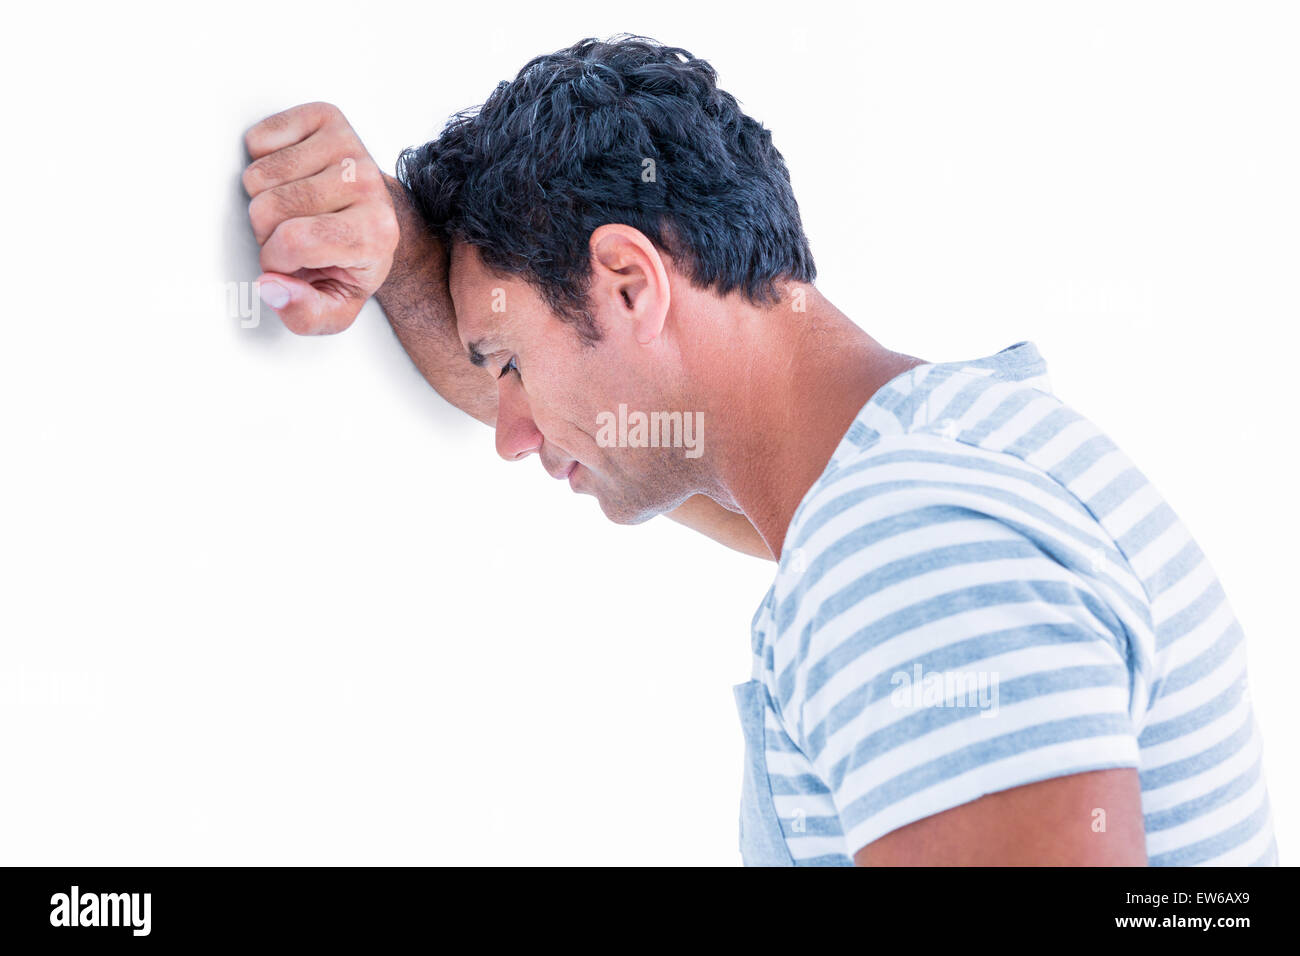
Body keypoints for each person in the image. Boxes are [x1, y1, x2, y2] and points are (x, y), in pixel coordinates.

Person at [241, 35, 1278, 866]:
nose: (510, 431)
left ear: (631, 283)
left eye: (508, 361)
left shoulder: (901, 547)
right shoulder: (951, 456)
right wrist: (404, 254)